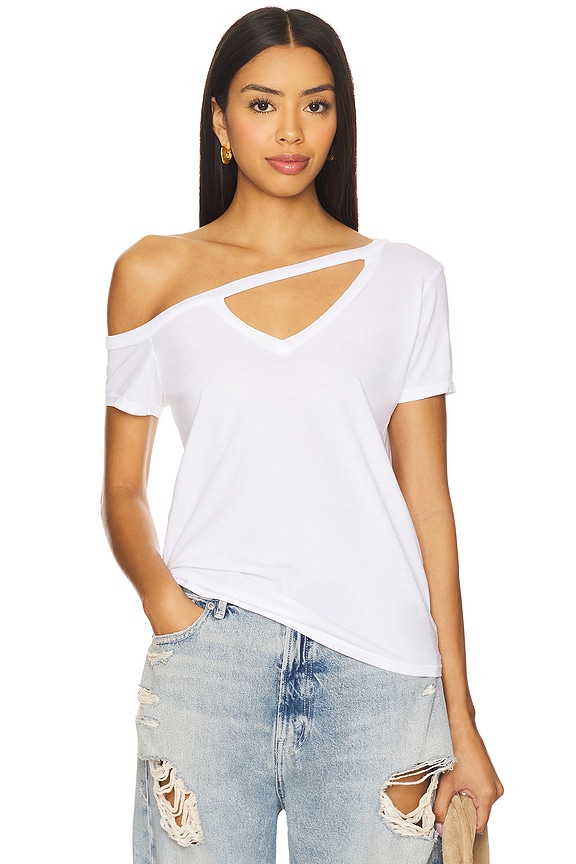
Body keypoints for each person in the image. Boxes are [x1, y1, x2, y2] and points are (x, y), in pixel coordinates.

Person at [102, 7, 503, 863]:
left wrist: (463, 721)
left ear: (338, 120)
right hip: (210, 658)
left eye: (316, 105)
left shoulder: (408, 280)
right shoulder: (153, 273)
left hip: (382, 673)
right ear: (220, 121)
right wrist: (170, 610)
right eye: (262, 104)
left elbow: (429, 503)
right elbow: (122, 487)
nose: (291, 130)